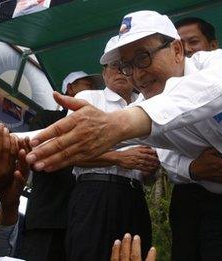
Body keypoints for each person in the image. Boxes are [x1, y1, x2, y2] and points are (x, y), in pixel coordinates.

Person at [26, 10, 222, 261]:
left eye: (143, 58)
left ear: (177, 50)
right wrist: (193, 168)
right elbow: (166, 157)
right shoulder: (142, 109)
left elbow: (201, 93)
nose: (136, 74)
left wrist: (122, 123)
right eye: (126, 66)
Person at [65, 46, 159, 261]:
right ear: (105, 72)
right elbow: (70, 151)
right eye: (114, 66)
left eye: (126, 66)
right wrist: (118, 158)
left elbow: (150, 176)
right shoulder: (88, 97)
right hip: (95, 192)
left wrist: (150, 169)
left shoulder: (150, 105)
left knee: (136, 255)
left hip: (135, 197)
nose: (120, 71)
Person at [20, 71, 103, 261]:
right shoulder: (46, 119)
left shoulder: (97, 131)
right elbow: (41, 157)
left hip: (82, 226)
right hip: (47, 220)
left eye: (95, 88)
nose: (94, 90)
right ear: (70, 89)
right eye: (88, 85)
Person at [164, 16, 219, 261]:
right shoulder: (162, 92)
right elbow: (163, 154)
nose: (186, 49)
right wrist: (192, 168)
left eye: (193, 41)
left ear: (213, 45)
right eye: (178, 44)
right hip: (189, 194)